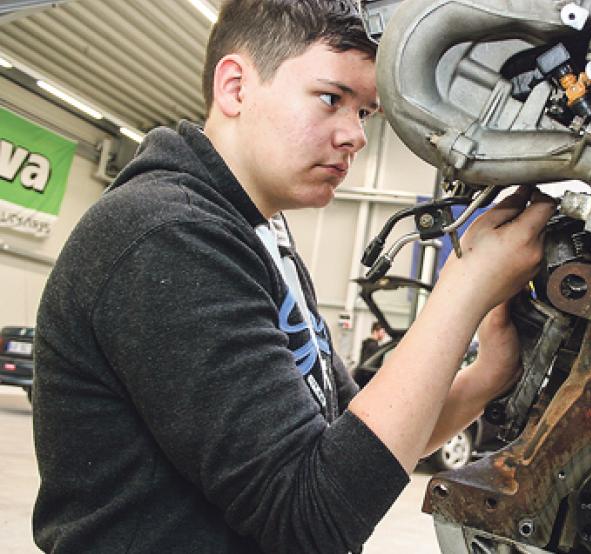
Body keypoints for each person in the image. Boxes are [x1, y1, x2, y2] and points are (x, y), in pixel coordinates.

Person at [31, 1, 554, 552]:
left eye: (366, 113)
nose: (355, 135)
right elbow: (308, 517)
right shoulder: (166, 234)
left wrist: (487, 375)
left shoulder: (258, 229)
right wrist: (464, 290)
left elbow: (348, 441)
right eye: (332, 99)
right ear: (234, 87)